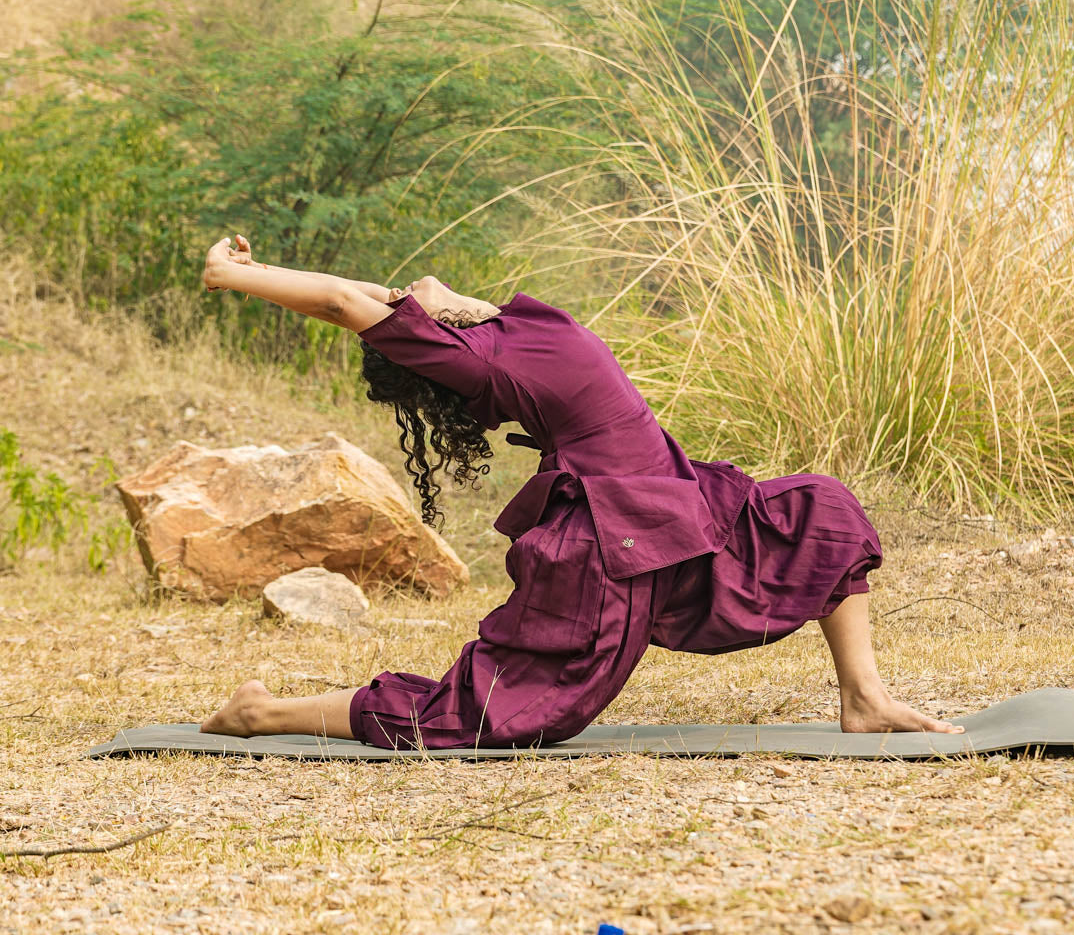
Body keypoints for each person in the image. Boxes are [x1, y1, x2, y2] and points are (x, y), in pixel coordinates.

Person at [198, 234, 964, 744]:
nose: (403, 288)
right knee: (495, 715)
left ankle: (863, 699)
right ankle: (262, 712)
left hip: (677, 500)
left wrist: (282, 272)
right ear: (431, 340)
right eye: (402, 304)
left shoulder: (500, 323)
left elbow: (372, 292)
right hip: (608, 540)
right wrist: (233, 274)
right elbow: (341, 303)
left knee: (818, 513)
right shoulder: (481, 362)